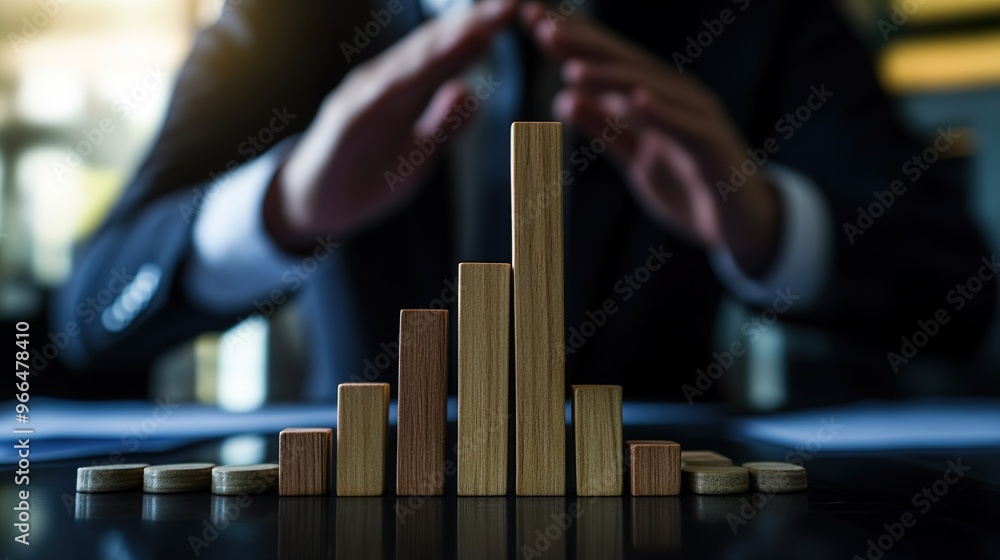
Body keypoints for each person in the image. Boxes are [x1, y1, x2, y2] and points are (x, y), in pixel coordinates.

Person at [54, 0, 994, 401]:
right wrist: (280, 205)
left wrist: (763, 222)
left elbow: (957, 287)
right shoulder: (286, 21)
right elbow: (87, 311)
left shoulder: (752, 15)